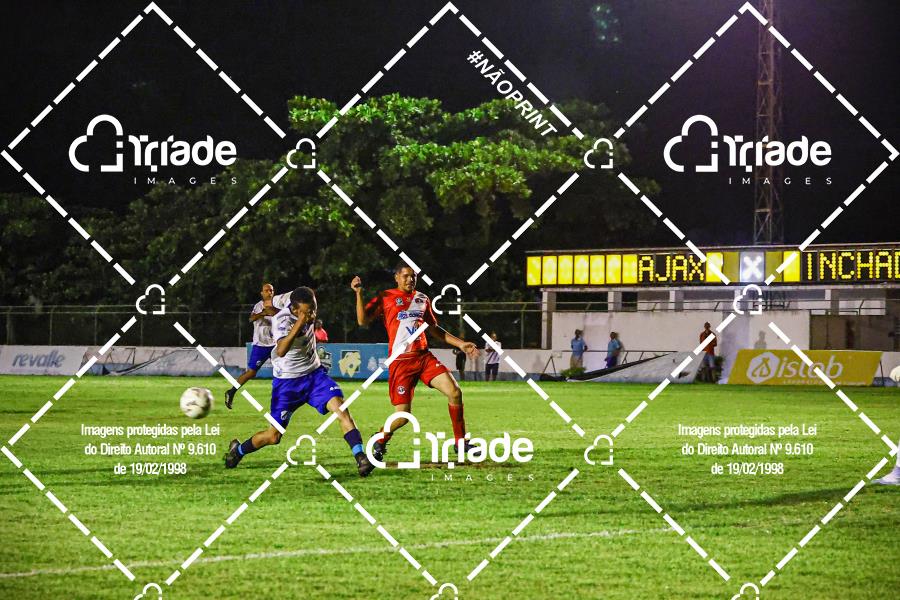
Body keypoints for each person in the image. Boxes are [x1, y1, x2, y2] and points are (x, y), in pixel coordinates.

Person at [224, 287, 374, 477]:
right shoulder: (282, 320)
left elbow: (281, 299)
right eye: (307, 312)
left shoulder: (302, 300)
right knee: (273, 436)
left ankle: (361, 458)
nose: (312, 315)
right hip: (287, 385)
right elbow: (281, 350)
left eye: (314, 309)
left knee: (341, 410)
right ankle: (237, 450)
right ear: (295, 310)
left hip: (314, 376)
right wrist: (300, 322)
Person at [352, 264, 479, 462]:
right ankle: (380, 439)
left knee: (454, 392)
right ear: (396, 277)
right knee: (403, 417)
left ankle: (460, 442)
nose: (410, 279)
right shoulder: (386, 297)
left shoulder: (422, 299)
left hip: (423, 357)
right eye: (406, 276)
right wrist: (359, 293)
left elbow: (434, 329)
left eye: (413, 276)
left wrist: (461, 344)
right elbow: (363, 321)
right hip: (401, 362)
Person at [225, 283, 279, 409]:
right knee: (251, 373)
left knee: (284, 370)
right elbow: (251, 319)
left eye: (271, 290)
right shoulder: (258, 306)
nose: (269, 292)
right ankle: (231, 391)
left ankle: (283, 398)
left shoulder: (277, 306)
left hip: (276, 344)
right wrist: (263, 313)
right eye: (267, 290)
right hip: (261, 345)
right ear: (262, 293)